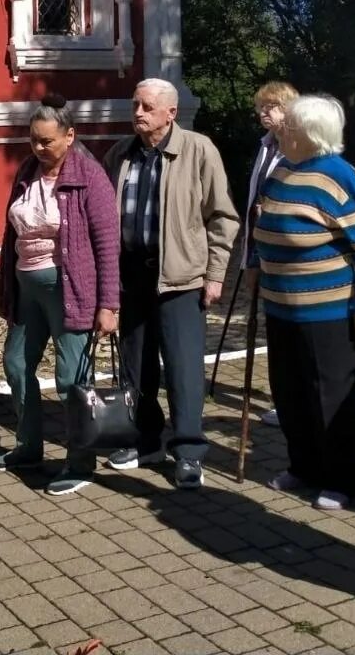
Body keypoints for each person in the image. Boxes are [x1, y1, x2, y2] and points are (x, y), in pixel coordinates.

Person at [102, 78, 239, 489]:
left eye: (147, 106)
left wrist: (215, 274)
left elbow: (223, 216)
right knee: (136, 367)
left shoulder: (198, 150)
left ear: (171, 112)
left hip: (181, 279)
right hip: (133, 278)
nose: (138, 113)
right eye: (135, 106)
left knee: (182, 370)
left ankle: (189, 451)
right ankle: (146, 442)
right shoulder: (120, 154)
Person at [0, 94, 120, 496]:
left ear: (69, 136)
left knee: (70, 378)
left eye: (47, 141)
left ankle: (81, 462)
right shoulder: (27, 171)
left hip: (71, 289)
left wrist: (109, 305)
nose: (39, 148)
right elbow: (13, 234)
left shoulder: (89, 176)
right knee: (15, 364)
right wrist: (5, 286)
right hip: (28, 287)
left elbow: (107, 242)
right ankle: (28, 448)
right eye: (33, 140)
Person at [250, 95, 355, 511]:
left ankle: (341, 480)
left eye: (287, 127)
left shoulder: (340, 176)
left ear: (309, 134)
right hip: (279, 306)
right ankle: (303, 466)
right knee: (289, 391)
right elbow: (262, 220)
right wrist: (255, 261)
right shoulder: (283, 169)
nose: (279, 132)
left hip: (329, 310)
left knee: (331, 395)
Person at [242, 81, 299, 429]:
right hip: (261, 249)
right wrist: (248, 258)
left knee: (293, 331)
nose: (264, 112)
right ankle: (285, 398)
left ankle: (294, 401)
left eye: (272, 106)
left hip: (290, 255)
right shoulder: (265, 147)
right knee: (275, 329)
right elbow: (252, 203)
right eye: (261, 107)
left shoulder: (297, 150)